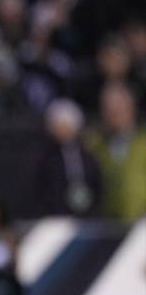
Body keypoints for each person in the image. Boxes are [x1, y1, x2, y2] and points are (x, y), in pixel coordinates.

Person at [31, 99, 101, 217]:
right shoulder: (45, 158)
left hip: (86, 215)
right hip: (55, 216)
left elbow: (97, 184)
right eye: (59, 126)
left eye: (67, 125)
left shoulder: (88, 156)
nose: (64, 130)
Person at [86, 82, 146, 220]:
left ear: (131, 107)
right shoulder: (94, 145)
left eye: (119, 108)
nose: (114, 114)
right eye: (109, 109)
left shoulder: (143, 142)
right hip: (107, 224)